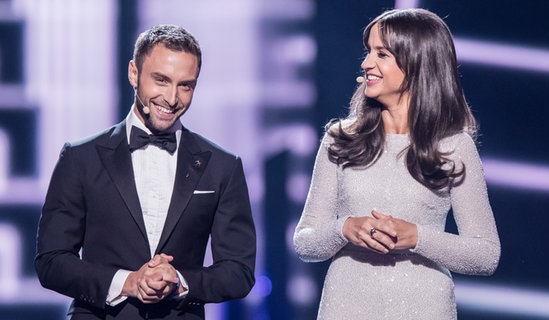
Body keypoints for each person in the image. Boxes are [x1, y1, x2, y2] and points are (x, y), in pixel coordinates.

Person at [35, 24, 256, 319]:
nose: (172, 98)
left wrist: (180, 282)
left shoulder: (222, 166)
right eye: (161, 80)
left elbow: (239, 271)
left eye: (186, 85)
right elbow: (51, 261)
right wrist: (127, 282)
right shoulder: (80, 157)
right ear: (134, 74)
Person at [294, 8, 500, 320]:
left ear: (417, 62)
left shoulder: (454, 146)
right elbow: (305, 242)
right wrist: (344, 228)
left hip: (425, 308)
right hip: (346, 307)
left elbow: (486, 255)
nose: (366, 64)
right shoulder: (340, 139)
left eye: (382, 54)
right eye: (368, 52)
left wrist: (417, 237)